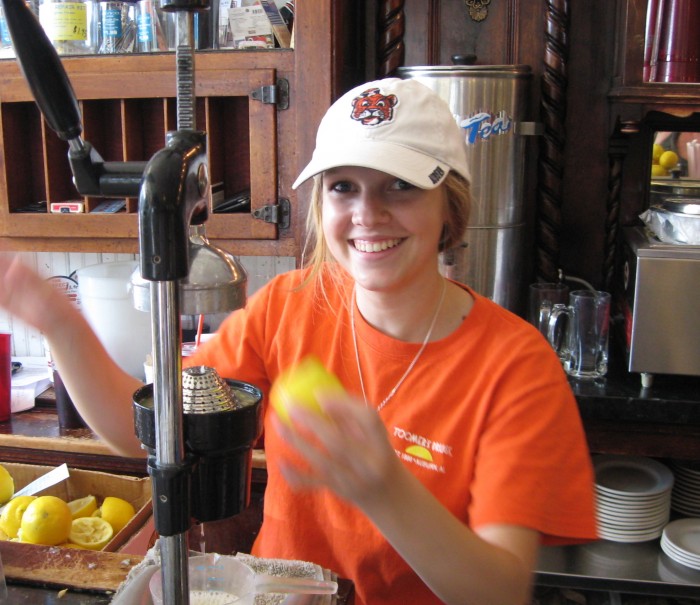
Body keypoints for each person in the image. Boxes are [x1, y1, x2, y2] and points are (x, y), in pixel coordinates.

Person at [0, 78, 597, 605]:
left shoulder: (515, 366)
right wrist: (59, 322)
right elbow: (152, 435)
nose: (368, 213)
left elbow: (499, 590)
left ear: (451, 206)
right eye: (343, 187)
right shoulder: (289, 306)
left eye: (400, 186)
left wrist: (385, 489)